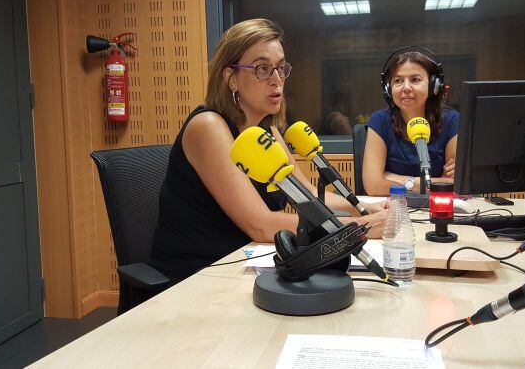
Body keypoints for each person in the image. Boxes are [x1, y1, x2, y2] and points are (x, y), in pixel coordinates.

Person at [150, 19, 387, 282]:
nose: (277, 80)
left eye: (281, 68)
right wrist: (360, 228)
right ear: (231, 78)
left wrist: (365, 208)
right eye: (262, 69)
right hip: (198, 275)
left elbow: (305, 193)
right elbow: (260, 224)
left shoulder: (267, 130)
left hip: (243, 261)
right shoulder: (208, 126)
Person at [362, 48, 459, 196]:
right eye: (398, 81)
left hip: (438, 206)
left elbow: (456, 183)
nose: (406, 88)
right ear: (389, 89)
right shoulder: (379, 121)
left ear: (433, 85)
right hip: (394, 208)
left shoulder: (451, 121)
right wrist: (433, 182)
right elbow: (374, 186)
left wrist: (390, 177)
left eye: (415, 80)